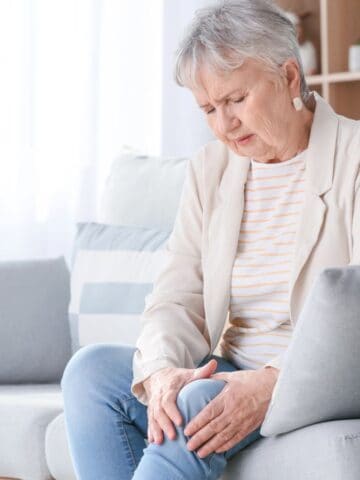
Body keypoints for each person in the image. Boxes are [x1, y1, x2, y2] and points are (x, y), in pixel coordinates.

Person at [60, 1, 360, 479]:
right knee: (91, 374)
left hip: (311, 378)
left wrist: (270, 383)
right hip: (227, 366)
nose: (224, 124)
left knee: (201, 399)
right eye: (208, 109)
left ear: (287, 78)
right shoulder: (210, 170)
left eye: (236, 100)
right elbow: (176, 298)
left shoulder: (354, 158)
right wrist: (160, 374)